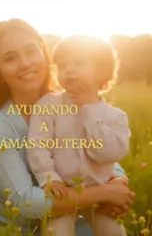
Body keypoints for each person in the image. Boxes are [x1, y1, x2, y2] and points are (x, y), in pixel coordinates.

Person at [0, 20, 134, 233]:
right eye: (10, 58)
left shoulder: (72, 101)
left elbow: (97, 152)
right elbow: (24, 202)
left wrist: (118, 181)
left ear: (44, 53)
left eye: (31, 51)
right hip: (12, 228)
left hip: (68, 213)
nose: (25, 63)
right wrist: (105, 193)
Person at [26, 34, 130, 236]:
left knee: (113, 231)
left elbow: (107, 153)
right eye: (62, 66)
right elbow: (38, 145)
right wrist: (49, 178)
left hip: (100, 195)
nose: (69, 70)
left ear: (101, 71)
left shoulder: (115, 117)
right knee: (56, 232)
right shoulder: (48, 105)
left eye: (79, 63)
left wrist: (90, 110)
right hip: (63, 191)